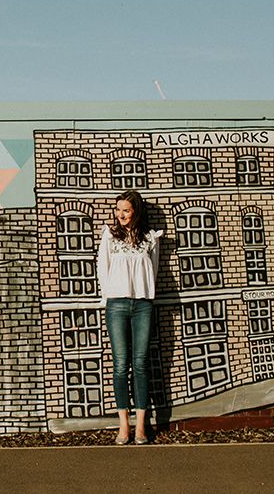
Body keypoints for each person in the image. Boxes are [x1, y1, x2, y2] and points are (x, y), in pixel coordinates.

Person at [97, 190, 162, 445]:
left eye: (126, 210)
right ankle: (124, 424)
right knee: (121, 365)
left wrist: (146, 295)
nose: (120, 215)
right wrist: (108, 298)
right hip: (116, 305)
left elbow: (153, 272)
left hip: (143, 305)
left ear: (136, 211)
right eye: (118, 210)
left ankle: (141, 426)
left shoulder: (150, 239)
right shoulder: (110, 237)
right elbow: (103, 270)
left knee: (142, 363)